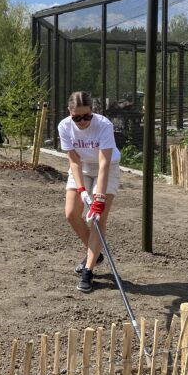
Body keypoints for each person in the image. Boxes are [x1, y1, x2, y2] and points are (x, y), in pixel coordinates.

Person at [58, 91, 121, 293]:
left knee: (96, 218)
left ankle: (88, 269)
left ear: (92, 112)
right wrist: (83, 190)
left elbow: (104, 164)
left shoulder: (104, 125)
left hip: (107, 168)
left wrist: (99, 198)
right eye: (77, 117)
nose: (82, 121)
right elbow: (74, 161)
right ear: (70, 112)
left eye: (87, 116)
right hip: (82, 167)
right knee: (71, 213)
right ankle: (95, 252)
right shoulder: (64, 126)